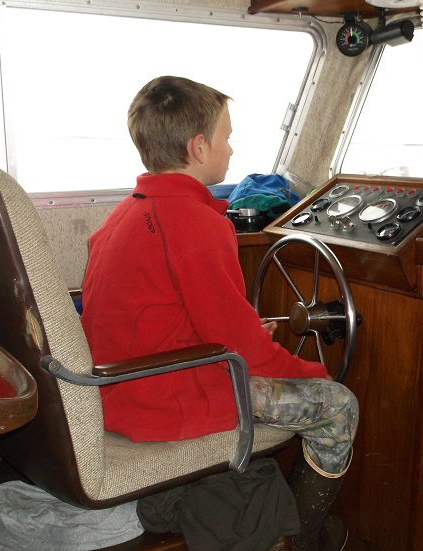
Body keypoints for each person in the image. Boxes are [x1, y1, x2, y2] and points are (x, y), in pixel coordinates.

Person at [80, 75, 359, 551]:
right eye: (226, 138)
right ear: (199, 146)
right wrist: (312, 373)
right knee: (338, 406)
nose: (230, 150)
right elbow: (242, 347)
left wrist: (248, 335)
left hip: (120, 386)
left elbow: (178, 316)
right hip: (160, 397)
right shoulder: (196, 224)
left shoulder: (126, 212)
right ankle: (303, 536)